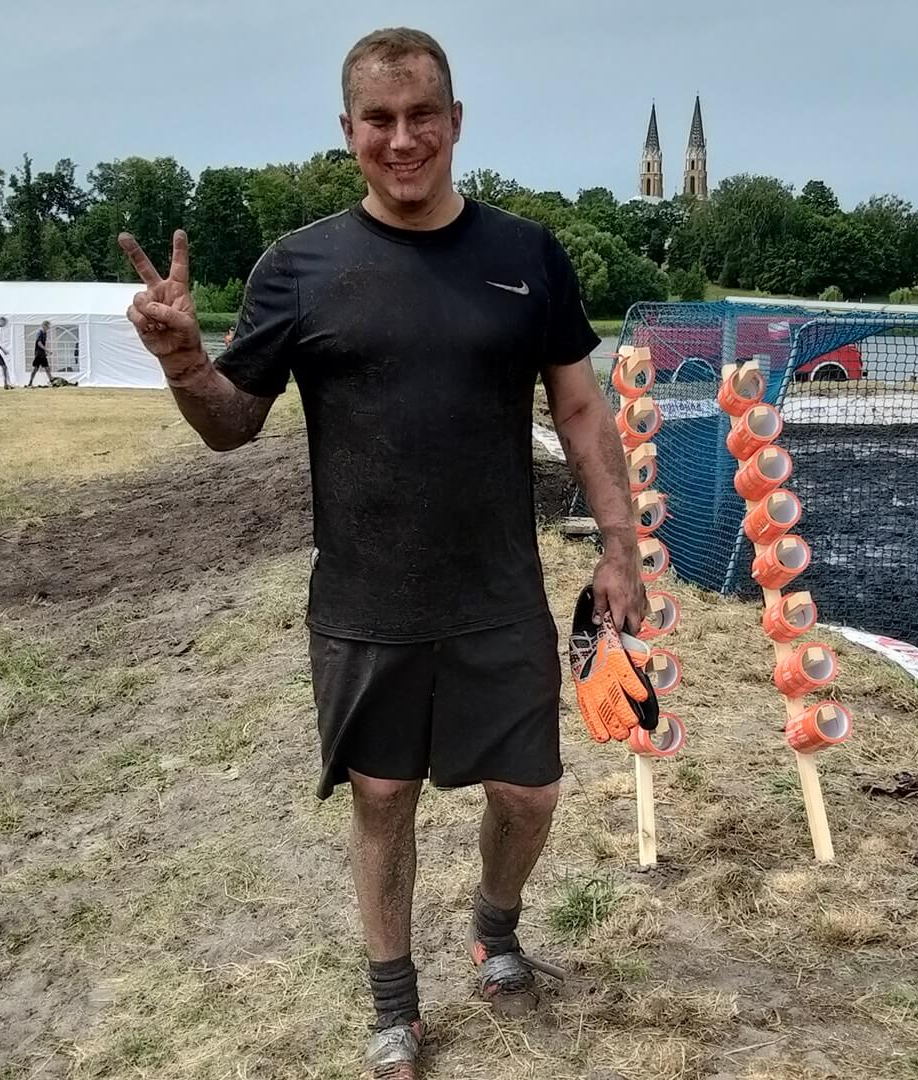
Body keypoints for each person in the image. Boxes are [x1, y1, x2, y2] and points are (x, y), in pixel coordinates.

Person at [117, 28, 642, 1076]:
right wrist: (184, 364)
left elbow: (581, 410)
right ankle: (394, 1006)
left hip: (498, 590)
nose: (403, 140)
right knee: (383, 798)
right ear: (347, 130)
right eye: (379, 120)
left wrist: (621, 546)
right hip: (365, 600)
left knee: (529, 796)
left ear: (457, 120)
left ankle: (495, 926)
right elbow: (232, 424)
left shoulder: (526, 255)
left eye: (422, 115)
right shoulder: (299, 267)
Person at [27, 320, 51, 386]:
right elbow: (39, 343)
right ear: (44, 326)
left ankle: (51, 381)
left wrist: (45, 352)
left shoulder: (45, 333)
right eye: (48, 326)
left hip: (42, 354)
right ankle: (30, 382)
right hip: (38, 353)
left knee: (47, 368)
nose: (48, 328)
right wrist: (46, 350)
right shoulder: (39, 332)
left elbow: (43, 343)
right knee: (35, 369)